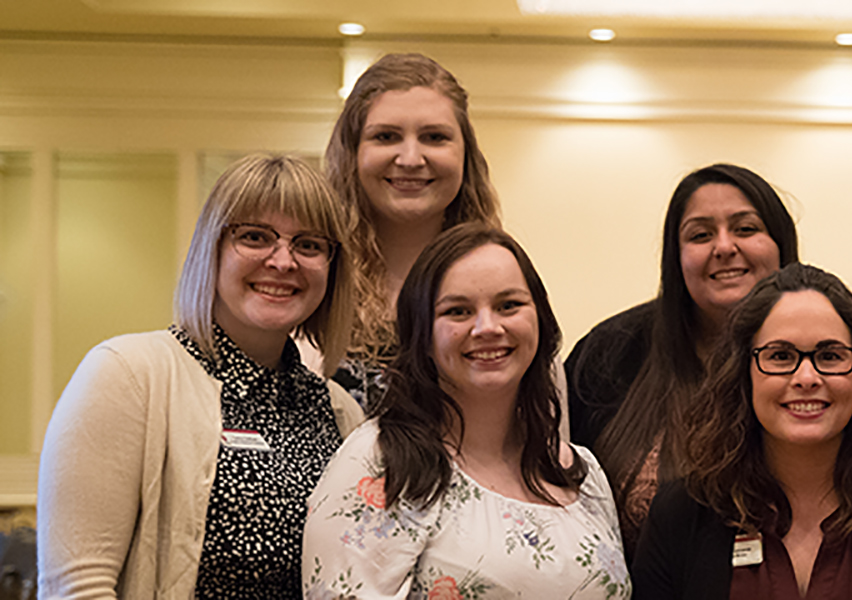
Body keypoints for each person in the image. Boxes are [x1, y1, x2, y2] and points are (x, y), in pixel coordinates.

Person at [37, 154, 364, 599]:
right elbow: (78, 588)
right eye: (254, 237)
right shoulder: (127, 375)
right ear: (210, 248)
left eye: (308, 244)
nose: (283, 261)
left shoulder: (339, 411)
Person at [302, 224, 629, 598]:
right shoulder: (379, 464)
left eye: (509, 305)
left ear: (539, 318)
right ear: (422, 336)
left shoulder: (581, 474)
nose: (487, 327)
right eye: (458, 311)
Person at [633, 263, 852, 599]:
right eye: (781, 356)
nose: (806, 377)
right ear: (743, 373)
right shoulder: (680, 515)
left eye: (830, 355)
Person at [565, 163, 799, 550]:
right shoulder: (611, 352)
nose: (724, 247)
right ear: (676, 257)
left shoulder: (827, 344)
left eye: (745, 229)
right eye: (701, 234)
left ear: (781, 245)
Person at [324, 52, 502, 402]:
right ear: (352, 153)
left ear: (466, 154)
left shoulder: (505, 284)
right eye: (386, 136)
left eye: (434, 137)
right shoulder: (311, 282)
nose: (410, 159)